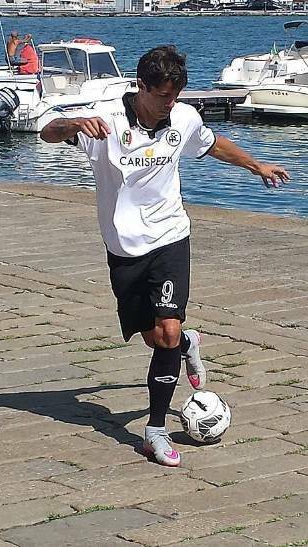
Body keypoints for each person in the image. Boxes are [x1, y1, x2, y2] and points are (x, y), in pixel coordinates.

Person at [40, 46, 289, 467]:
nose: (168, 105)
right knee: (157, 340)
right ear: (140, 87)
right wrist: (71, 124)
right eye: (161, 97)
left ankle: (154, 429)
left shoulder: (184, 118)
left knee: (168, 330)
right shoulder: (104, 120)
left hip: (171, 237)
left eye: (174, 96)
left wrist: (256, 166)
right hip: (123, 248)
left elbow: (212, 145)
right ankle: (189, 344)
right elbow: (48, 131)